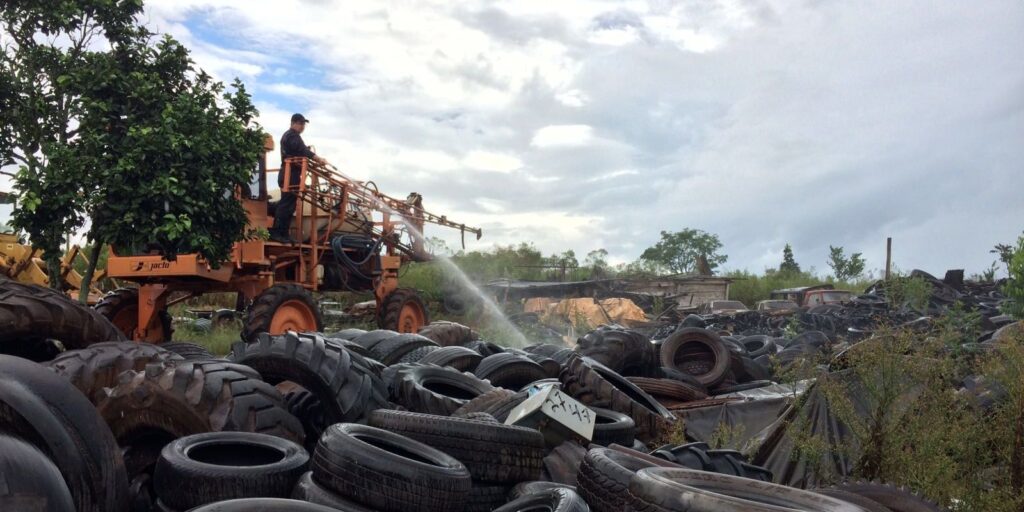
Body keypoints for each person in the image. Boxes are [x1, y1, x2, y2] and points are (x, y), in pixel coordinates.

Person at [270, 113, 325, 243]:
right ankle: (278, 232)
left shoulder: (292, 136)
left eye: (303, 124)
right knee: (286, 204)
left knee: (289, 204)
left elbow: (301, 151)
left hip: (292, 174)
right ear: (293, 123)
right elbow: (302, 150)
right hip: (289, 174)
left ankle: (283, 233)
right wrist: (318, 158)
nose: (302, 127)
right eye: (300, 124)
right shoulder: (291, 136)